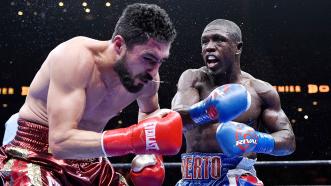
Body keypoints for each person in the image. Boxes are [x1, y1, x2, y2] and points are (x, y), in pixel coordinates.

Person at [0, 3, 181, 185]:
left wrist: (150, 154)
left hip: (91, 158)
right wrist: (133, 139)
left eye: (160, 61)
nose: (154, 71)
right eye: (148, 58)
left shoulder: (147, 78)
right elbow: (60, 143)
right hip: (38, 154)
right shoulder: (74, 58)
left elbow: (150, 115)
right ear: (119, 45)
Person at [170, 19, 296, 185]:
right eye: (204, 41)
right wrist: (209, 109)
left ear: (238, 47)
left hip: (237, 179)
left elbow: (288, 141)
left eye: (218, 39)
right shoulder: (193, 79)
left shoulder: (260, 91)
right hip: (192, 178)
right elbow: (176, 123)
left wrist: (255, 141)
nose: (209, 47)